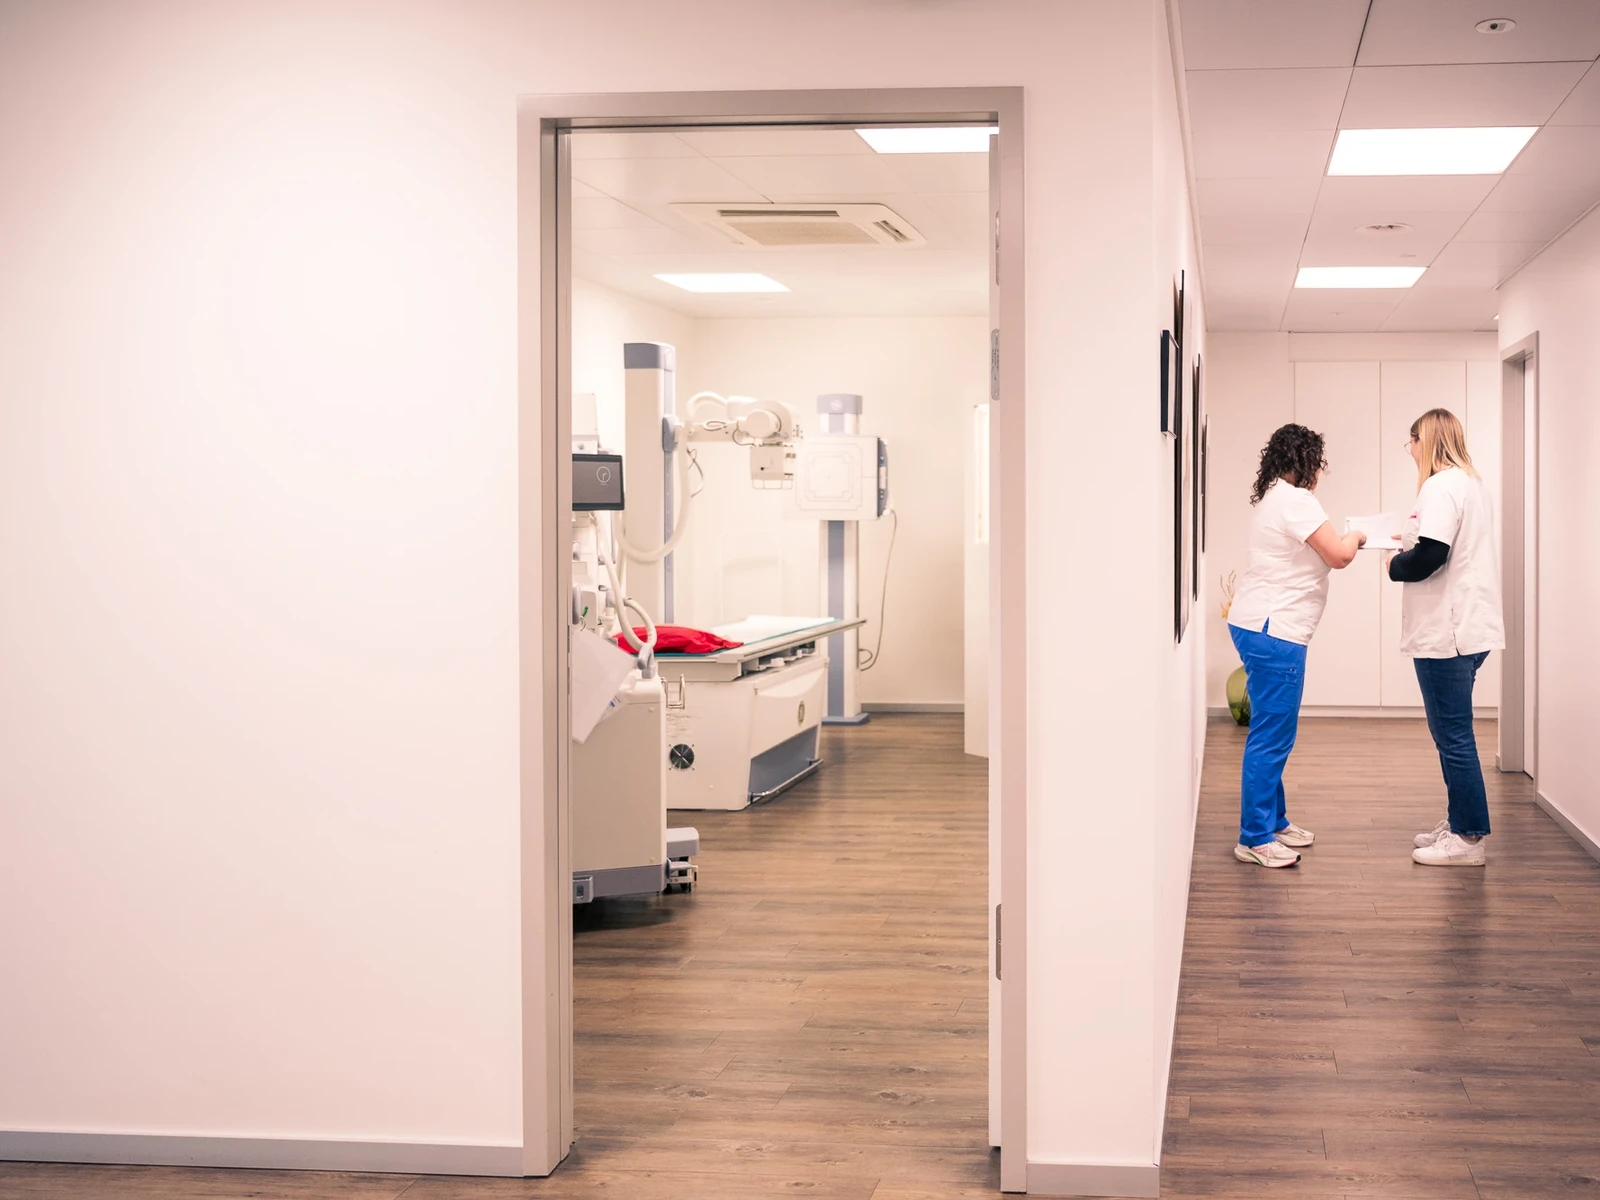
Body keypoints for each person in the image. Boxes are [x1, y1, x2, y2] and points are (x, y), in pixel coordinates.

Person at [1227, 424, 1366, 868]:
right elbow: (1339, 555)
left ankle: (1274, 821)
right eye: (1318, 464)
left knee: (1272, 731)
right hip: (1276, 631)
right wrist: (1359, 536)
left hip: (1258, 625)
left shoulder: (1274, 497)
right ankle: (1254, 838)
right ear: (1307, 462)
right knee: (1272, 736)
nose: (1319, 473)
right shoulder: (1296, 500)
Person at [1384, 408, 1504, 867]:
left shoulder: (1439, 486)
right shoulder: (1471, 483)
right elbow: (1446, 546)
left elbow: (1429, 557)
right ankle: (1459, 823)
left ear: (1427, 440)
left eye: (1412, 441)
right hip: (1471, 628)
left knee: (1453, 735)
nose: (1410, 450)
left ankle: (1468, 839)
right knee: (1453, 732)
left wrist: (1394, 563)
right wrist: (1411, 543)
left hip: (1446, 632)